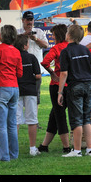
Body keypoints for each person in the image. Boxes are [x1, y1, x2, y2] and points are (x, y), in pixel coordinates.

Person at [58, 24, 91, 157]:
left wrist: (60, 92)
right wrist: (90, 83)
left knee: (76, 120)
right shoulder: (85, 50)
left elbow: (64, 74)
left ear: (69, 35)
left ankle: (77, 150)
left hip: (75, 86)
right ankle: (90, 149)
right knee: (86, 118)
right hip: (88, 85)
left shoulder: (65, 52)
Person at [0, 25, 23, 162]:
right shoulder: (16, 51)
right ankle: (14, 154)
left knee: (1, 126)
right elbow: (19, 73)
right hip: (14, 88)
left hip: (1, 87)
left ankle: (3, 156)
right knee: (12, 124)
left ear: (2, 36)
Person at [38, 24, 71, 155]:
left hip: (57, 85)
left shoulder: (57, 48)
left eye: (53, 36)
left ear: (57, 36)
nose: (52, 38)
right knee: (54, 116)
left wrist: (52, 73)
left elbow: (45, 62)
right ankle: (44, 145)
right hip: (71, 85)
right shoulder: (72, 47)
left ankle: (66, 147)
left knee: (59, 115)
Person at [17, 10, 49, 125]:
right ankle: (19, 119)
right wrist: (24, 36)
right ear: (23, 21)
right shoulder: (18, 32)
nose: (29, 22)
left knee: (35, 95)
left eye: (31, 20)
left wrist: (35, 39)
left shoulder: (39, 32)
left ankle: (34, 120)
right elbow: (12, 44)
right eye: (27, 20)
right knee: (19, 97)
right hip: (21, 69)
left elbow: (46, 45)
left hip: (36, 70)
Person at [14, 34, 41, 156]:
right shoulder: (32, 57)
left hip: (16, 90)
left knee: (16, 121)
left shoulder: (14, 57)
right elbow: (38, 75)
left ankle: (13, 148)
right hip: (30, 91)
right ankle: (32, 148)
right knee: (32, 120)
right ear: (25, 46)